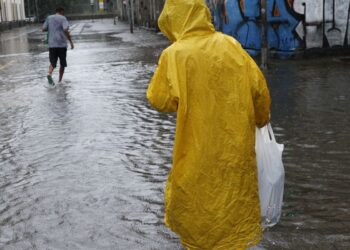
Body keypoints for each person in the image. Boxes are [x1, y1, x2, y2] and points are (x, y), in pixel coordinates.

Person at [146, 0, 271, 249]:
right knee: (234, 213)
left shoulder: (174, 54)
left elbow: (159, 99)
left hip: (196, 157)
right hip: (234, 155)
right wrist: (260, 119)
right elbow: (259, 91)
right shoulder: (231, 45)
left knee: (197, 216)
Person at [42, 7, 74, 86]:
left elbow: (43, 29)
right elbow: (65, 30)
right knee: (62, 63)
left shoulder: (49, 18)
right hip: (61, 44)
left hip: (52, 44)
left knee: (52, 62)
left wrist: (51, 28)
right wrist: (71, 42)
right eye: (63, 12)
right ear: (61, 12)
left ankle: (49, 74)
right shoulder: (63, 18)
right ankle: (59, 81)